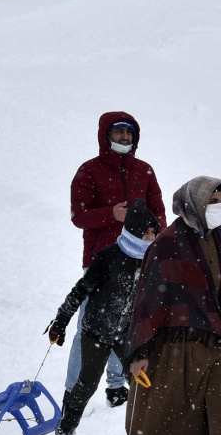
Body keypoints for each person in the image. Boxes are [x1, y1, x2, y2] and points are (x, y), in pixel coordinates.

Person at [125, 177, 221, 435]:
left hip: (218, 341)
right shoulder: (166, 243)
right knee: (172, 409)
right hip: (176, 340)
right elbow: (149, 298)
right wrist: (141, 349)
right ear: (195, 202)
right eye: (212, 199)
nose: (219, 205)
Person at [69, 112, 168, 408]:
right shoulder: (88, 171)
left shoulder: (145, 171)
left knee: (128, 323)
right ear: (105, 135)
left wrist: (155, 238)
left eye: (129, 133)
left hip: (140, 262)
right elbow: (79, 216)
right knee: (89, 326)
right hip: (101, 260)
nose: (125, 138)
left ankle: (116, 384)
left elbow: (159, 211)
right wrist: (110, 214)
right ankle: (73, 393)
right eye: (119, 132)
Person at [46, 200, 159, 435]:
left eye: (153, 232)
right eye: (145, 233)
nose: (150, 238)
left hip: (126, 335)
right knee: (87, 383)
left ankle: (142, 433)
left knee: (140, 382)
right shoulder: (108, 257)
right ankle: (67, 427)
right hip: (95, 332)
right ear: (131, 232)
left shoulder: (151, 263)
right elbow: (80, 291)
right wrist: (61, 321)